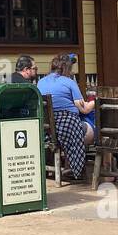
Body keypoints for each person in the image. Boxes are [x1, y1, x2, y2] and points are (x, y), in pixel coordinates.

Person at [37, 53, 93, 181]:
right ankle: (79, 168)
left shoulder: (40, 82)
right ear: (66, 69)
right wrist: (94, 102)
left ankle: (69, 165)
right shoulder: (68, 82)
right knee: (93, 130)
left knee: (74, 129)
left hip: (47, 131)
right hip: (67, 127)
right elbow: (83, 109)